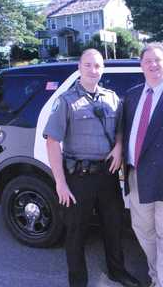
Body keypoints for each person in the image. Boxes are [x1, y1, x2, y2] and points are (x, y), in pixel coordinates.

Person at [43, 48, 141, 287]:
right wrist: (60, 183)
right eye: (88, 65)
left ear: (103, 69)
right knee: (76, 233)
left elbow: (121, 126)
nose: (93, 70)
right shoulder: (66, 101)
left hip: (107, 176)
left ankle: (117, 272)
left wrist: (118, 146)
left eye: (97, 65)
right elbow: (52, 142)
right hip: (78, 178)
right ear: (79, 67)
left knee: (114, 226)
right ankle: (78, 282)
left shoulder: (111, 97)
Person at [123, 43, 163, 287]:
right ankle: (155, 274)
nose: (153, 64)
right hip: (137, 176)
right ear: (141, 66)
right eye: (148, 61)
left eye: (158, 59)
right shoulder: (132, 95)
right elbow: (122, 130)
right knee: (143, 231)